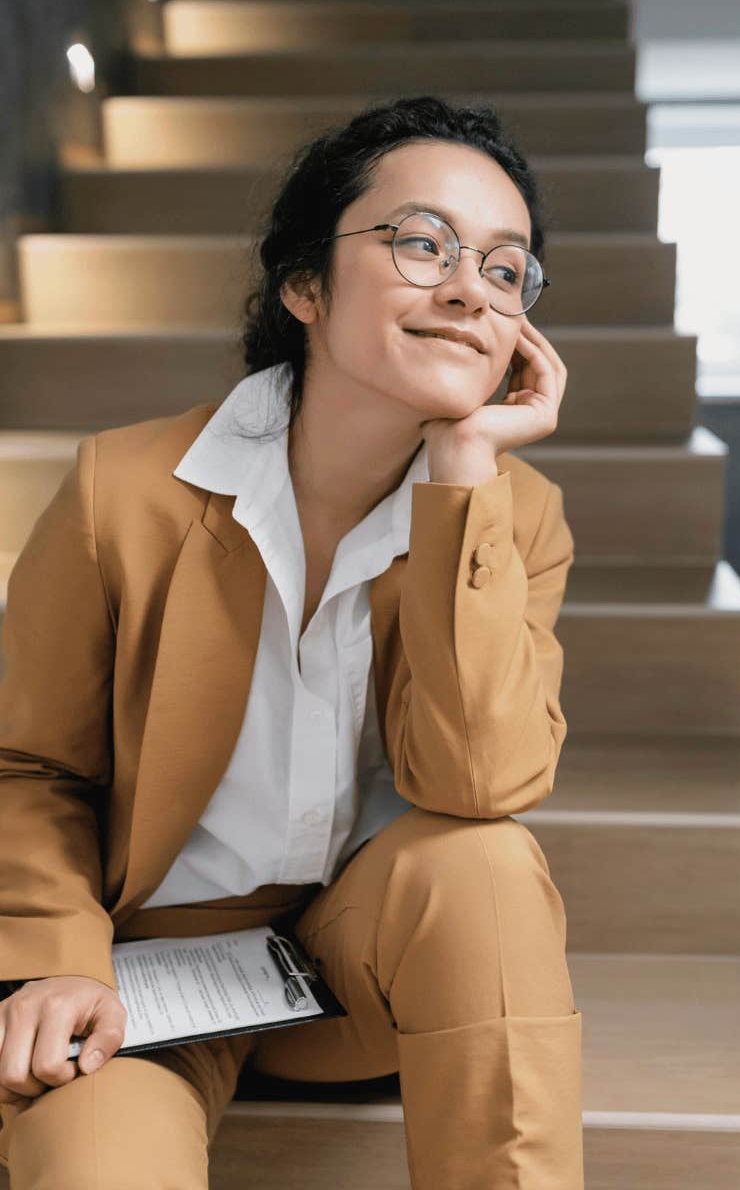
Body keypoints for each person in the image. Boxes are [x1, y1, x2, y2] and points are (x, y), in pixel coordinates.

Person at [0, 94, 583, 1188]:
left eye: (505, 271)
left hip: (347, 975)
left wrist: (461, 478)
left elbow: (480, 780)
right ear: (304, 284)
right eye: (423, 245)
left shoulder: (516, 513)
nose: (468, 287)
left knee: (482, 857)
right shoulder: (117, 492)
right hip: (136, 979)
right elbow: (27, 768)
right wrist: (51, 967)